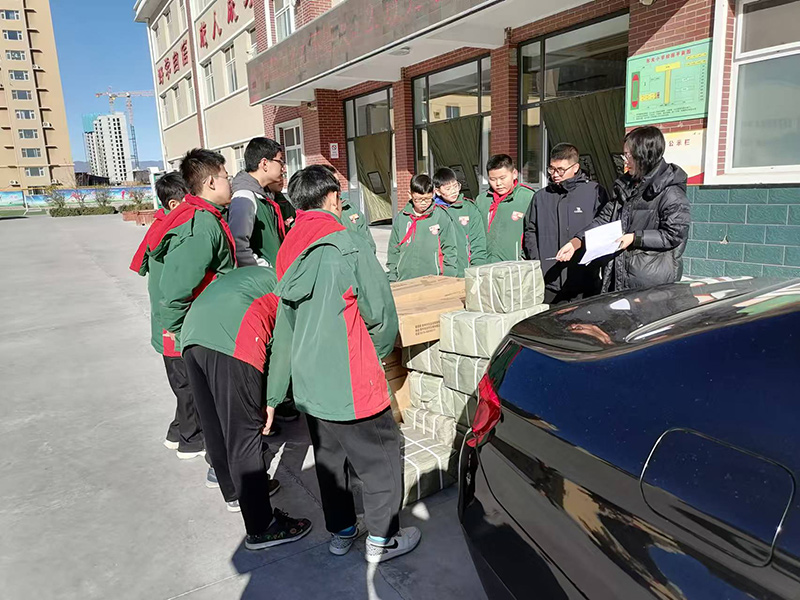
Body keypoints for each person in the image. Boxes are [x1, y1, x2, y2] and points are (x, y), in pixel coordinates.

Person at [267, 166, 420, 564]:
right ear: (334, 198)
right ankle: (383, 539)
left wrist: (275, 391)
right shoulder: (346, 242)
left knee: (331, 462)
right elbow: (380, 314)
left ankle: (342, 531)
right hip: (353, 380)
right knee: (381, 460)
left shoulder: (287, 247)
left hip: (310, 382)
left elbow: (285, 325)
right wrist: (377, 357)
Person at [181, 266, 313, 550]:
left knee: (214, 424)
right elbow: (281, 350)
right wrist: (272, 401)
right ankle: (261, 526)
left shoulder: (263, 275)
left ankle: (235, 493)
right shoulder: (291, 291)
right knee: (245, 434)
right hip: (235, 337)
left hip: (192, 334)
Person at [555, 126, 690, 292]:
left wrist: (635, 238)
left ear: (644, 155)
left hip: (650, 282)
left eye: (628, 155)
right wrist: (576, 242)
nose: (625, 161)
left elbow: (674, 234)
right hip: (618, 274)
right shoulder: (625, 186)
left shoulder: (671, 193)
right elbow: (604, 219)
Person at [129, 173, 204, 459]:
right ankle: (190, 441)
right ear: (174, 203)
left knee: (184, 384)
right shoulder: (170, 232)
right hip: (172, 324)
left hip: (168, 321)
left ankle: (176, 432)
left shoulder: (161, 225)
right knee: (187, 386)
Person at [156, 149, 237, 365]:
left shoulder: (209, 216)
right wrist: (179, 333)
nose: (230, 183)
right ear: (211, 182)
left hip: (210, 325)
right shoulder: (201, 225)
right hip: (202, 332)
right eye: (226, 177)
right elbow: (176, 287)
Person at [523, 143, 609, 304]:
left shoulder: (594, 192)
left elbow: (603, 228)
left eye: (561, 170)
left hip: (585, 282)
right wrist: (538, 262)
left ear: (575, 167)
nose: (555, 174)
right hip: (549, 282)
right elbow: (530, 231)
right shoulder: (540, 197)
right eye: (551, 169)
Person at [386, 174, 458, 281]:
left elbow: (450, 249)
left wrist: (449, 276)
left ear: (433, 194)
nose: (423, 203)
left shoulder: (441, 216)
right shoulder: (402, 217)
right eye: (418, 199)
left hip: (434, 279)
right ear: (410, 195)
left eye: (427, 199)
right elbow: (393, 249)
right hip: (405, 279)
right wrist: (392, 276)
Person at [228, 137, 287, 267]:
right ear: (264, 163)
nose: (284, 169)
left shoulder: (266, 194)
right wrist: (266, 269)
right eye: (280, 162)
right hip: (264, 276)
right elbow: (239, 248)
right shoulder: (244, 197)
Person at [475, 154, 536, 263]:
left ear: (514, 174)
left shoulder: (528, 197)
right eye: (493, 179)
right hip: (484, 264)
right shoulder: (482, 200)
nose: (498, 183)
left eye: (502, 178)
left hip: (515, 266)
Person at [433, 167, 488, 276]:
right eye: (448, 188)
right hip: (440, 274)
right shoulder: (433, 211)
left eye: (455, 186)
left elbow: (478, 242)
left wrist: (477, 270)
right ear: (438, 191)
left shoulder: (469, 208)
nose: (453, 191)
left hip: (465, 271)